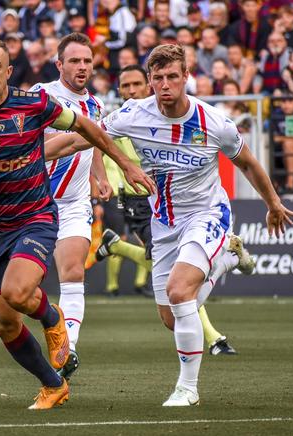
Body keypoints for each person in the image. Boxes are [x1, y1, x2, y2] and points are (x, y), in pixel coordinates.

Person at [0, 37, 154, 410]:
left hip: (36, 215)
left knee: (18, 293)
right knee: (2, 322)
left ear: (8, 71)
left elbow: (84, 128)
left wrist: (124, 162)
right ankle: (54, 385)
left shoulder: (33, 103)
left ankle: (55, 321)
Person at [93, 44, 293, 406]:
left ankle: (188, 389)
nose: (165, 84)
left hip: (206, 214)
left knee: (180, 290)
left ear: (187, 76)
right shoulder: (133, 114)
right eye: (158, 78)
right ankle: (228, 259)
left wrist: (273, 203)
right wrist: (37, 150)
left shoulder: (214, 122)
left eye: (173, 76)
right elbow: (92, 134)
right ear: (150, 82)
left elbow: (246, 163)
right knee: (172, 318)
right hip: (164, 222)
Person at [93, 64, 240, 355]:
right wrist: (100, 177)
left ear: (146, 86)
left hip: (163, 201)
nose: (132, 90)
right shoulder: (125, 117)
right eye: (126, 86)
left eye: (136, 84)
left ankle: (213, 338)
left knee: (181, 277)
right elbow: (94, 140)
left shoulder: (160, 114)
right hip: (132, 198)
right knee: (175, 277)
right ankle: (213, 336)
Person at [29, 33, 112, 381]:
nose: (82, 67)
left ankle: (68, 348)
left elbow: (93, 146)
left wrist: (101, 176)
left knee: (73, 272)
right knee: (18, 289)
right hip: (34, 200)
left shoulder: (95, 105)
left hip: (75, 202)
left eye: (87, 61)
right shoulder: (42, 95)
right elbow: (38, 143)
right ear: (59, 64)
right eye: (74, 61)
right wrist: (81, 137)